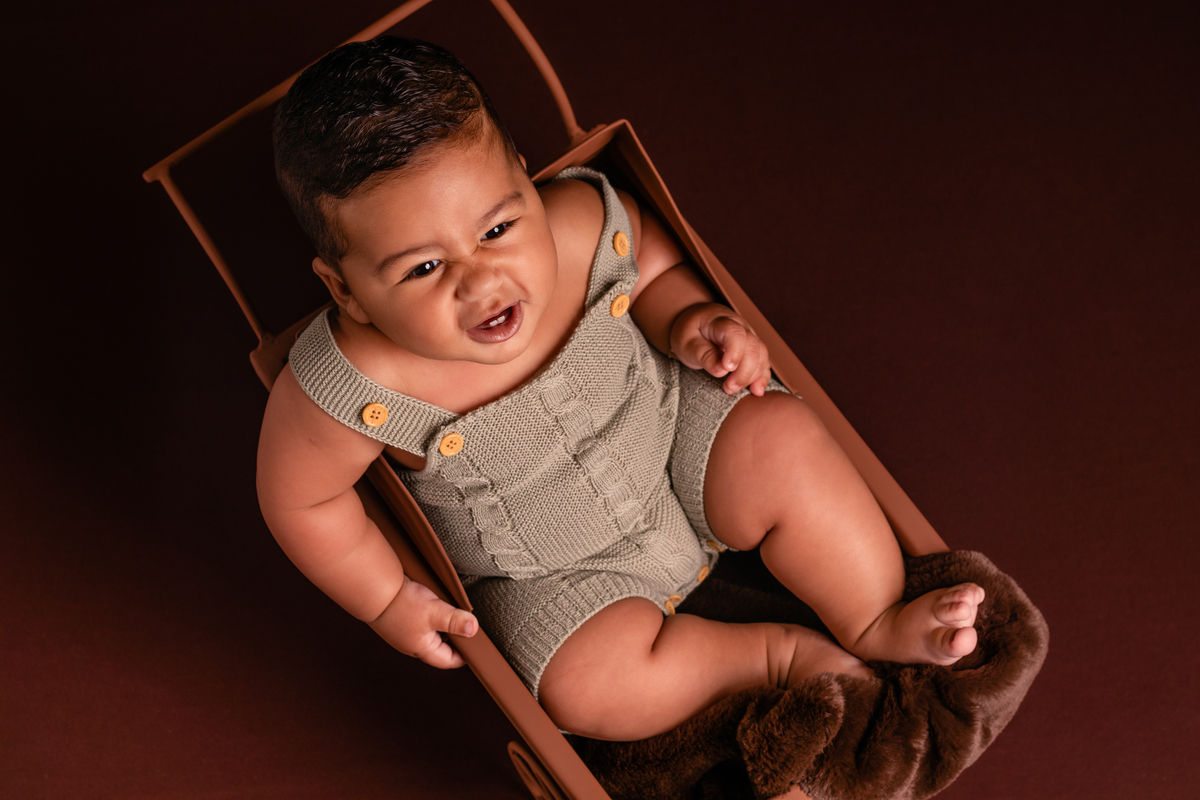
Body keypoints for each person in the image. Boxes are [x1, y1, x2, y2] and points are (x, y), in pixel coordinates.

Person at [257, 36, 984, 742]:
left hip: (673, 446)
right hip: (556, 575)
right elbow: (300, 499)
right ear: (345, 291)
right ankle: (775, 658)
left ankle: (875, 615)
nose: (482, 282)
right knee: (581, 687)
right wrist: (385, 597)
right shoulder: (354, 383)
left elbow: (652, 263)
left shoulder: (577, 225)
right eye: (421, 269)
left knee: (780, 436)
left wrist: (691, 321)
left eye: (499, 226)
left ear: (524, 177)